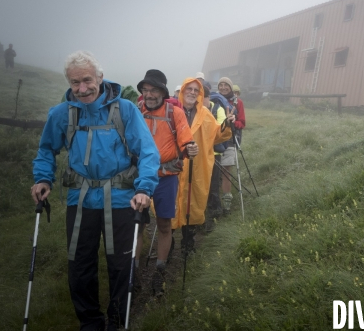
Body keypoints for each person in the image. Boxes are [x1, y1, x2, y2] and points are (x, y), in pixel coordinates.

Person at [31, 50, 160, 330]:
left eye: (87, 80)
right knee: (79, 267)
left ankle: (116, 322)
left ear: (100, 78)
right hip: (81, 200)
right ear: (69, 82)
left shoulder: (125, 110)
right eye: (75, 82)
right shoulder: (61, 114)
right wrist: (43, 180)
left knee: (120, 266)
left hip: (123, 199)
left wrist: (144, 188)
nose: (82, 88)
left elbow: (148, 152)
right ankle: (90, 323)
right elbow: (46, 149)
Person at [134, 69, 198, 297]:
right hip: (140, 177)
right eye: (145, 90)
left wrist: (190, 147)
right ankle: (134, 272)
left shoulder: (175, 113)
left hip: (166, 177)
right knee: (137, 224)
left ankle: (159, 270)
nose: (149, 94)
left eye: (154, 90)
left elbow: (186, 140)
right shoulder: (136, 110)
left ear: (162, 91)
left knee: (163, 224)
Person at [172, 77, 234, 250]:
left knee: (193, 202)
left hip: (197, 166)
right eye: (188, 89)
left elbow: (217, 136)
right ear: (182, 91)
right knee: (172, 201)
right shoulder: (172, 112)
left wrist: (226, 124)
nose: (192, 93)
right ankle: (167, 244)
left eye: (196, 90)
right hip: (174, 165)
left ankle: (188, 243)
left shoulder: (205, 114)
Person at [218, 77, 245, 214]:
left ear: (230, 87)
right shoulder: (213, 100)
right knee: (213, 173)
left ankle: (226, 204)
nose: (223, 87)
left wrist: (233, 123)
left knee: (226, 171)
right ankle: (214, 202)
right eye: (221, 85)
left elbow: (243, 123)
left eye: (226, 85)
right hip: (214, 141)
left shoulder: (237, 102)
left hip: (229, 141)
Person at [203, 81, 227, 233]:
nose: (202, 99)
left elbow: (220, 130)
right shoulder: (192, 111)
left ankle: (213, 217)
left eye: (204, 96)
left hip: (214, 155)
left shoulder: (218, 108)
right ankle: (199, 218)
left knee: (212, 186)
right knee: (200, 187)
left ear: (208, 96)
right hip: (198, 156)